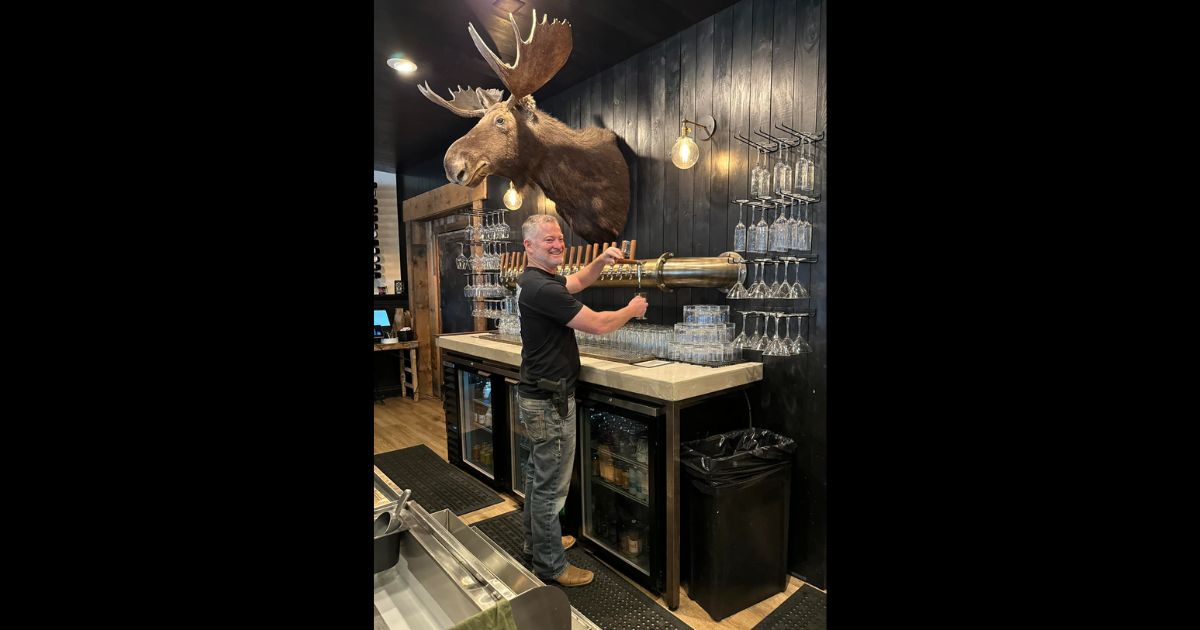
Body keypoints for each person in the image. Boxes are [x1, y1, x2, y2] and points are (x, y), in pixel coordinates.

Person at [516, 214, 647, 587]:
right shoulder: (543, 289)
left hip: (540, 395)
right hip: (550, 400)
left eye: (559, 239)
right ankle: (551, 566)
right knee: (550, 488)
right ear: (528, 246)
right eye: (547, 241)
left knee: (537, 478)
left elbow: (576, 282)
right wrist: (631, 311)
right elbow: (600, 324)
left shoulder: (537, 281)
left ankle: (536, 544)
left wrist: (600, 263)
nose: (557, 245)